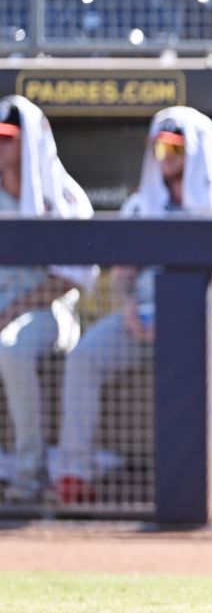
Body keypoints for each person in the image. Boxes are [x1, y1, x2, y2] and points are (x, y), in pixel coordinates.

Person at [53, 107, 212, 504]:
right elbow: (124, 276)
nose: (165, 156)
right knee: (84, 357)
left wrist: (196, 314)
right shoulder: (139, 205)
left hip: (207, 317)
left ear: (196, 152)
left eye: (175, 148)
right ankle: (73, 472)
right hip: (142, 317)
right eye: (160, 147)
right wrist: (128, 308)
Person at [0, 96, 97, 502]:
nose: (0, 145)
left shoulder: (64, 196)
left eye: (8, 138)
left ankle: (29, 472)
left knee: (11, 348)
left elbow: (72, 278)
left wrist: (12, 310)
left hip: (46, 312)